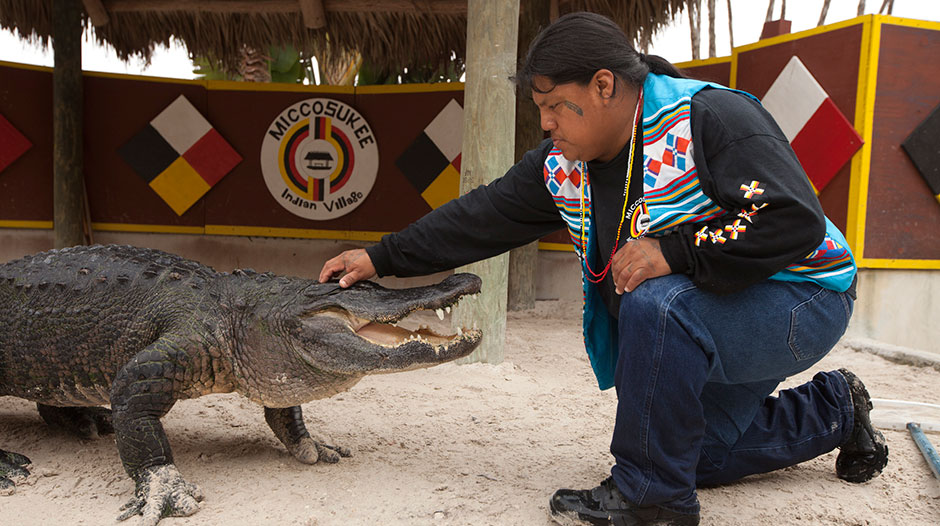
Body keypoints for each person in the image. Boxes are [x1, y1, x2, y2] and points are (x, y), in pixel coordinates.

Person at [319, 12, 888, 526]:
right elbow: (481, 216)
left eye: (552, 105)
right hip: (718, 308)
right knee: (695, 454)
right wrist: (381, 257)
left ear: (603, 85)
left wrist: (676, 251)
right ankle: (835, 408)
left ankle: (652, 499)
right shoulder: (566, 164)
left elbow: (788, 218)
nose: (545, 124)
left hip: (802, 297)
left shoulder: (709, 116)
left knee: (657, 299)